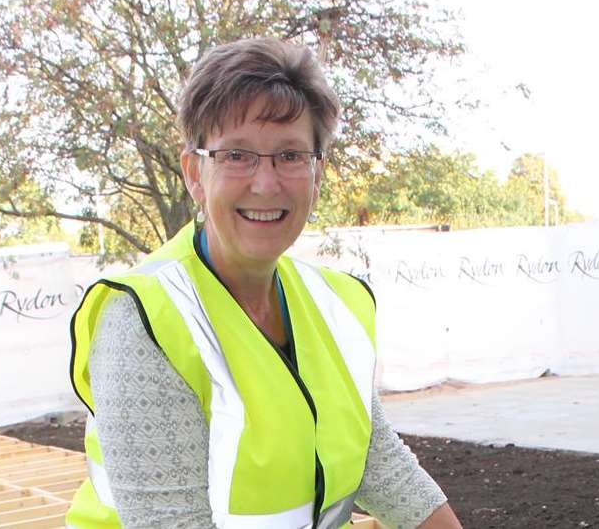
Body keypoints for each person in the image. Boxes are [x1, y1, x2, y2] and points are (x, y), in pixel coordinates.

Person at [66, 37, 463, 529]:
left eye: (290, 156)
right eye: (237, 155)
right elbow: (168, 521)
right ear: (195, 172)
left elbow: (378, 460)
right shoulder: (145, 319)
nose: (266, 182)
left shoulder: (338, 303)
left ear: (317, 173)